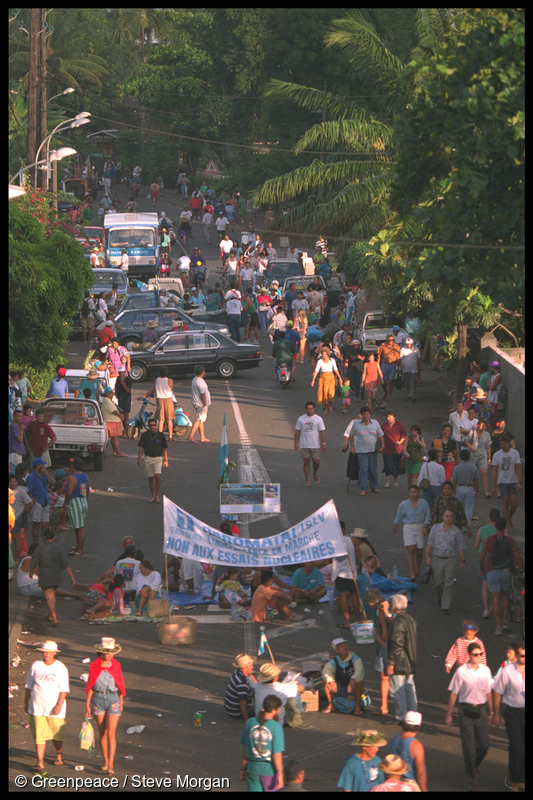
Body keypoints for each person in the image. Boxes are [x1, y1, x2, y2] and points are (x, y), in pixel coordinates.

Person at [445, 641, 493, 792]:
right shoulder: (461, 672)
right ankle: (472, 779)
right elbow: (454, 693)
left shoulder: (485, 671)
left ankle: (474, 765)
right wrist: (449, 714)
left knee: (484, 745)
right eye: (475, 654)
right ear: (469, 655)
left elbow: (489, 692)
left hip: (481, 711)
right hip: (465, 711)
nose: (478, 657)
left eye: (480, 654)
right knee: (468, 747)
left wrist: (492, 712)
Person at [24, 641, 70, 772]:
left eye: (50, 652)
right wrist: (26, 701)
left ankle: (59, 755)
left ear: (55, 653)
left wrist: (60, 704)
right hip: (37, 705)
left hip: (54, 706)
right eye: (45, 652)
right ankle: (40, 762)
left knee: (57, 734)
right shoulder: (36, 665)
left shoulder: (60, 668)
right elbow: (29, 685)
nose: (47, 654)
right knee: (39, 734)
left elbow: (63, 689)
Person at [85, 637, 126, 775]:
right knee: (102, 733)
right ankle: (105, 760)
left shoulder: (116, 666)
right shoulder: (94, 666)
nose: (109, 655)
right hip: (97, 699)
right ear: (100, 653)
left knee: (111, 733)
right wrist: (87, 705)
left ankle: (111, 765)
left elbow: (119, 684)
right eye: (106, 653)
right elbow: (90, 685)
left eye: (111, 653)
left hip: (113, 699)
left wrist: (121, 701)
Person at [479, 516, 524, 635]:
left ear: (495, 526)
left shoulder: (488, 540)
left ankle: (498, 627)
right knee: (505, 595)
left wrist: (482, 569)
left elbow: (482, 556)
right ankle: (505, 622)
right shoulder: (510, 541)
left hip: (492, 570)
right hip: (505, 570)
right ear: (505, 527)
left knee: (495, 598)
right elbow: (518, 558)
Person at [492, 641, 525, 792]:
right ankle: (515, 780)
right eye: (522, 655)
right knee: (516, 747)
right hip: (513, 713)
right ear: (517, 655)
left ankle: (523, 779)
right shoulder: (507, 671)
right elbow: (497, 691)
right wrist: (496, 713)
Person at [30, 528, 77, 627]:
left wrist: (30, 571)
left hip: (45, 575)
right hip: (56, 575)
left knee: (49, 596)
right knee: (53, 595)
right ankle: (50, 615)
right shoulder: (59, 548)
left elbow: (33, 562)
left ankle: (54, 619)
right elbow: (66, 564)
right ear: (54, 537)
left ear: (44, 537)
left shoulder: (40, 548)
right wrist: (71, 577)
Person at [240, 694, 284, 791]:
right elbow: (277, 753)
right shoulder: (276, 727)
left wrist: (243, 768)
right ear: (273, 710)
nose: (279, 712)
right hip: (268, 770)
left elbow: (245, 747)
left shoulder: (250, 722)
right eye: (278, 709)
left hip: (252, 768)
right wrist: (280, 774)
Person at [426, 509, 465, 614]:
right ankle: (441, 597)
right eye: (446, 516)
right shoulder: (435, 528)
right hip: (437, 559)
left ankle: (445, 606)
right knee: (437, 583)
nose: (448, 518)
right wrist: (427, 556)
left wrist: (462, 560)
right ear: (443, 517)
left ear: (453, 518)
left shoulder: (456, 531)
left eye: (451, 516)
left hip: (451, 559)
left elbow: (460, 547)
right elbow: (430, 543)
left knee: (449, 583)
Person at [386, 594, 418, 721]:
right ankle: (413, 714)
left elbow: (396, 645)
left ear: (393, 606)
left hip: (400, 661)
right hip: (411, 660)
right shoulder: (410, 619)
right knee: (409, 688)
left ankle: (401, 716)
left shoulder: (397, 622)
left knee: (397, 690)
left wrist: (391, 663)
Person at [393, 485, 431, 581]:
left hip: (420, 526)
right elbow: (399, 516)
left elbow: (428, 515)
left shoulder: (424, 503)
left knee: (419, 551)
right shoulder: (404, 504)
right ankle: (412, 574)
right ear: (408, 493)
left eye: (415, 492)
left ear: (418, 492)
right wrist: (396, 526)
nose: (413, 494)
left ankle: (417, 566)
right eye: (411, 492)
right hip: (408, 527)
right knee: (411, 550)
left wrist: (426, 527)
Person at [364, 589, 391, 717]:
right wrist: (383, 644)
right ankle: (383, 706)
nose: (369, 605)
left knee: (396, 677)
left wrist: (386, 612)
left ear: (375, 601)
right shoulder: (375, 612)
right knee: (383, 676)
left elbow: (397, 625)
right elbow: (376, 629)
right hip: (383, 645)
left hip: (394, 646)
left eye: (370, 603)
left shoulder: (390, 608)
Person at [322, 637, 365, 716]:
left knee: (360, 682)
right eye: (341, 646)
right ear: (336, 650)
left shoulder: (355, 658)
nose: (344, 647)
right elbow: (326, 671)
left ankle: (357, 706)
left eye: (344, 645)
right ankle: (331, 704)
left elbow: (359, 670)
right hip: (340, 687)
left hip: (352, 687)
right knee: (326, 681)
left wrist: (353, 679)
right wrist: (331, 680)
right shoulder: (334, 661)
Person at [349, 406, 385, 496]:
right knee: (363, 470)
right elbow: (351, 435)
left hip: (373, 450)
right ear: (361, 415)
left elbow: (380, 435)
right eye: (364, 414)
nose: (366, 416)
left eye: (367, 414)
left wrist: (383, 445)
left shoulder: (375, 423)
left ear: (370, 414)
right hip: (361, 451)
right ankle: (363, 488)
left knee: (373, 470)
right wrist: (352, 447)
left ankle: (374, 487)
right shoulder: (356, 424)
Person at [390, 712, 427, 792]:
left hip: (396, 780)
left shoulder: (396, 738)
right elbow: (420, 772)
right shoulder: (416, 745)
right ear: (419, 725)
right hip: (410, 784)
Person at [474, 507, 500, 618]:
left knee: (484, 584)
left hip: (484, 558)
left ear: (489, 517)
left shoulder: (482, 529)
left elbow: (476, 544)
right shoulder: (499, 530)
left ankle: (485, 609)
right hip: (496, 559)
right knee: (494, 584)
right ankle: (493, 606)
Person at [491, 435, 521, 528]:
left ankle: (509, 517)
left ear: (508, 443)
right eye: (501, 444)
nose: (503, 446)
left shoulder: (515, 453)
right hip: (502, 481)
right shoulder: (497, 455)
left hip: (513, 481)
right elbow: (495, 471)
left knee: (514, 504)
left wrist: (519, 482)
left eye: (504, 444)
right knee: (505, 503)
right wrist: (494, 486)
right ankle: (507, 523)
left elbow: (517, 468)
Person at [294, 401, 326, 488]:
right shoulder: (301, 419)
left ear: (314, 409)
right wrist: (295, 443)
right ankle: (308, 480)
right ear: (306, 409)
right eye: (308, 409)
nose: (309, 410)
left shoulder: (318, 419)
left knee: (316, 462)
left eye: (311, 409)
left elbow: (322, 431)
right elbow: (297, 431)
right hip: (304, 444)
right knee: (306, 461)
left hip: (315, 445)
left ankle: (315, 472)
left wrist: (323, 443)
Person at [137, 418, 169, 504]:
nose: (152, 427)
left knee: (157, 476)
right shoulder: (145, 435)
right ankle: (153, 496)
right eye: (150, 425)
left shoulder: (161, 435)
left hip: (158, 458)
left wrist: (166, 460)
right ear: (148, 426)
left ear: (157, 425)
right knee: (151, 478)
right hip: (148, 458)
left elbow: (164, 448)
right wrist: (139, 458)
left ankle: (157, 495)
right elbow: (141, 447)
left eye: (154, 425)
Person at [63, 457, 89, 556]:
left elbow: (69, 493)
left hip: (75, 502)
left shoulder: (72, 478)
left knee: (80, 527)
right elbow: (86, 490)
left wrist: (65, 503)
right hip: (83, 500)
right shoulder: (85, 476)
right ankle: (78, 547)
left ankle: (80, 550)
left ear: (73, 466)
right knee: (78, 526)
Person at [26, 457, 53, 543]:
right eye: (42, 465)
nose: (44, 466)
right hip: (37, 502)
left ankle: (45, 543)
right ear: (38, 466)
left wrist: (46, 473)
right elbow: (28, 491)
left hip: (45, 501)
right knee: (36, 525)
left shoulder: (43, 475)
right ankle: (36, 543)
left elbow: (52, 482)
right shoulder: (31, 477)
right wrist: (34, 502)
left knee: (46, 524)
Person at [224, 653, 257, 721]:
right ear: (244, 668)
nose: (252, 667)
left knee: (251, 679)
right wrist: (246, 720)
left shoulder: (237, 672)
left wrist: (257, 686)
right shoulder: (242, 683)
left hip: (229, 707)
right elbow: (242, 701)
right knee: (263, 708)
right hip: (236, 712)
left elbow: (250, 675)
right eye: (250, 665)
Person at [452, 449, 479, 525]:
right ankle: (466, 525)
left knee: (458, 508)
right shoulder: (473, 467)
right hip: (470, 488)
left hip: (460, 487)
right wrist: (477, 490)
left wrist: (453, 491)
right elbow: (476, 480)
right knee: (469, 508)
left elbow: (454, 481)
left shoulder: (457, 468)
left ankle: (458, 523)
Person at [311, 346, 341, 414]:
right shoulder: (320, 361)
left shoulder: (332, 360)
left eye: (324, 354)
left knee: (331, 393)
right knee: (324, 393)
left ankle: (330, 405)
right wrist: (313, 380)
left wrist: (340, 378)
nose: (323, 356)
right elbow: (316, 370)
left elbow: (336, 369)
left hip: (331, 377)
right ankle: (326, 408)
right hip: (323, 377)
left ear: (327, 354)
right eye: (322, 354)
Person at [381, 412, 407, 489]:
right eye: (387, 417)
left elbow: (404, 435)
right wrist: (381, 445)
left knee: (397, 465)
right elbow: (380, 435)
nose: (388, 418)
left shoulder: (399, 425)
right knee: (387, 465)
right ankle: (387, 481)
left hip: (397, 449)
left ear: (394, 417)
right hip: (387, 449)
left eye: (390, 417)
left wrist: (399, 442)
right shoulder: (384, 425)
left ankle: (395, 480)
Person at [468, 419, 492, 498]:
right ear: (478, 425)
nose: (483, 428)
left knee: (484, 472)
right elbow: (466, 441)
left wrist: (489, 458)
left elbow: (488, 447)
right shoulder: (472, 432)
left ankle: (486, 492)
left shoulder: (487, 435)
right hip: (474, 454)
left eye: (484, 426)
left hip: (483, 455)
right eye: (482, 426)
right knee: (473, 473)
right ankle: (474, 490)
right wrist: (471, 447)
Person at [102, 387, 128, 457]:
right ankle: (118, 451)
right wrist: (120, 416)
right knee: (115, 438)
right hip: (112, 421)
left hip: (111, 420)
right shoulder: (107, 401)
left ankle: (115, 451)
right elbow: (113, 411)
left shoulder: (106, 400)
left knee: (113, 438)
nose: (112, 395)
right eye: (112, 394)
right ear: (109, 394)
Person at [188, 365, 211, 443]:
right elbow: (202, 394)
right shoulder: (200, 382)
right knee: (199, 419)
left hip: (196, 402)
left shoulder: (195, 379)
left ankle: (202, 436)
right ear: (203, 372)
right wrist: (205, 404)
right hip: (200, 404)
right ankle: (191, 436)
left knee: (201, 419)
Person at [377, 334, 402, 402]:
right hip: (384, 364)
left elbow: (398, 357)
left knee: (391, 381)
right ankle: (385, 392)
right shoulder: (382, 345)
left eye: (392, 340)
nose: (391, 341)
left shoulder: (396, 346)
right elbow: (379, 355)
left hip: (392, 364)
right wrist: (377, 365)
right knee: (383, 381)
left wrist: (399, 367)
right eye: (389, 340)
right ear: (387, 340)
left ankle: (390, 396)